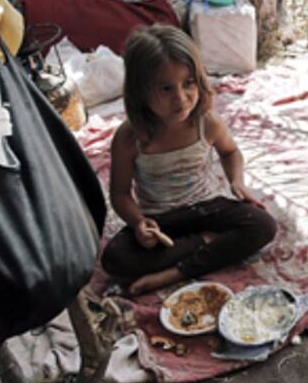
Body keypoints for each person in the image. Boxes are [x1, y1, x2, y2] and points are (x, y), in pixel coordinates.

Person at [100, 25, 277, 294]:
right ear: (140, 91)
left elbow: (230, 152)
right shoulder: (129, 137)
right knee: (116, 259)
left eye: (188, 83)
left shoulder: (207, 123)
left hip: (206, 208)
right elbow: (120, 194)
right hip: (161, 221)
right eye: (166, 88)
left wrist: (236, 182)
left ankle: (172, 274)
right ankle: (206, 243)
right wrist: (138, 222)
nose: (180, 98)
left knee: (263, 225)